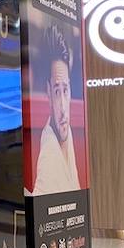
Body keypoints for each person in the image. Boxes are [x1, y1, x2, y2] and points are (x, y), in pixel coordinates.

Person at [33, 23, 80, 195]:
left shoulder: (67, 133)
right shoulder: (49, 153)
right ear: (48, 93)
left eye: (65, 90)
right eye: (56, 91)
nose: (63, 107)